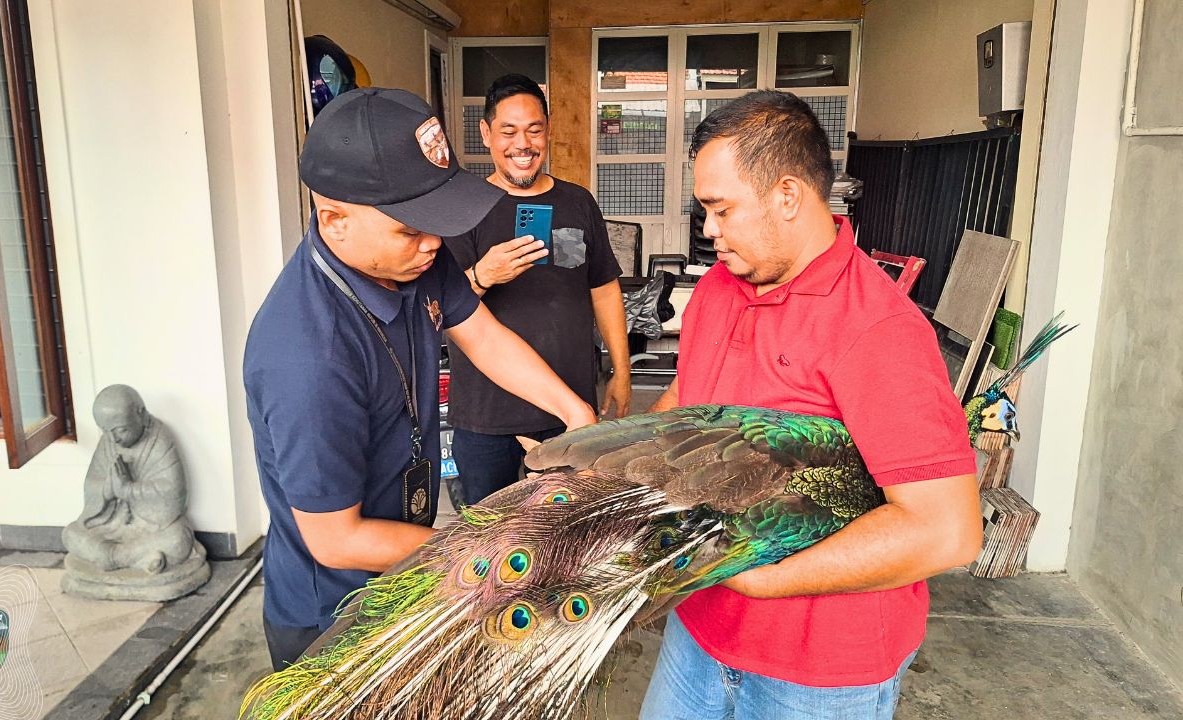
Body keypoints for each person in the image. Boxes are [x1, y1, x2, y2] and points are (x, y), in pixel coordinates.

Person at [639, 91, 982, 719]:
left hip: (820, 675)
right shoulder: (719, 286)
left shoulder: (877, 329)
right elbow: (690, 393)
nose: (708, 229)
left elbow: (947, 531)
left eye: (721, 209)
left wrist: (758, 577)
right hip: (698, 632)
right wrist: (619, 472)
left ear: (788, 197)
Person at [243, 88, 597, 671]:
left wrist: (575, 414)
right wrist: (487, 552)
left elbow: (483, 337)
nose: (434, 243)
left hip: (407, 570)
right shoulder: (307, 356)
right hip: (334, 615)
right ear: (334, 219)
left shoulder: (415, 263)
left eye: (437, 222)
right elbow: (337, 539)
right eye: (412, 229)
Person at [445, 74, 631, 505]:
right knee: (487, 542)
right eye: (508, 131)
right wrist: (482, 275)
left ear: (548, 132)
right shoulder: (462, 209)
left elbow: (603, 287)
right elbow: (442, 312)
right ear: (486, 134)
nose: (522, 144)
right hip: (486, 416)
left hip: (570, 414)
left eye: (534, 130)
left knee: (564, 536)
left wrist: (621, 372)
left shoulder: (578, 202)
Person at [63, 384, 195, 575]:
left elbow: (174, 492)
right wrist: (107, 490)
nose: (113, 438)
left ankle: (113, 557)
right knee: (70, 534)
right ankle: (136, 558)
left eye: (121, 430)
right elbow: (91, 485)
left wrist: (127, 489)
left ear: (141, 414)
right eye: (106, 431)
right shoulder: (109, 440)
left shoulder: (159, 439)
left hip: (150, 527)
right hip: (112, 525)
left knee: (178, 538)